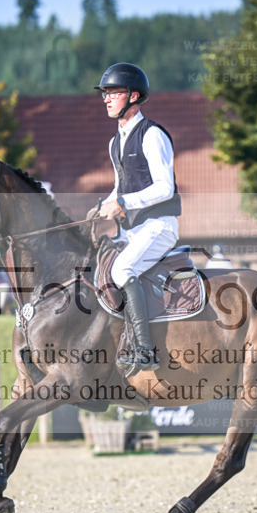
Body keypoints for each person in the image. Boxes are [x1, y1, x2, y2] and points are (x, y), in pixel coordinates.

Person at [93, 62, 181, 375]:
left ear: (133, 96)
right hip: (133, 231)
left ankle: (145, 350)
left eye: (113, 92)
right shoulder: (114, 142)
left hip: (159, 226)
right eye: (104, 93)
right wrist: (104, 204)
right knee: (96, 264)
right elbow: (121, 186)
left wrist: (122, 202)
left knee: (122, 268)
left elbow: (164, 188)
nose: (106, 98)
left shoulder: (152, 134)